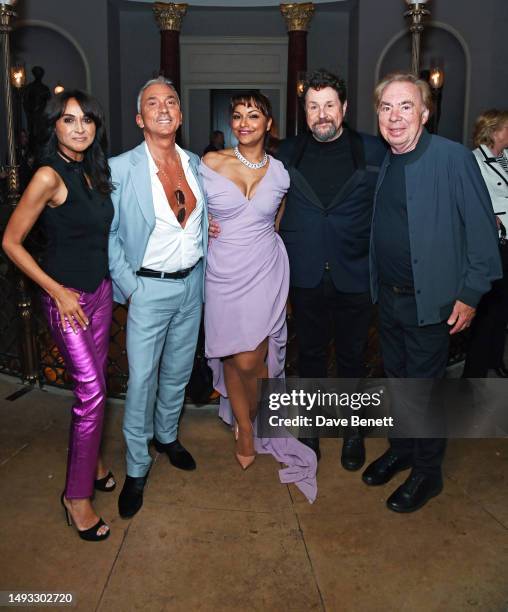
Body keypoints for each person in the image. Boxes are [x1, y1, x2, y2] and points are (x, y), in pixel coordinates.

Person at [364, 72, 502, 512]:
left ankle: (428, 472)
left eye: (406, 106)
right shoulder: (387, 158)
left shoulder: (453, 158)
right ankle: (402, 449)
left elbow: (482, 235)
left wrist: (470, 294)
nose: (395, 116)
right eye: (386, 107)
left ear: (425, 113)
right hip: (389, 298)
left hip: (431, 303)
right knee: (399, 383)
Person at [2, 90, 115, 541]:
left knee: (99, 386)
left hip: (101, 293)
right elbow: (11, 242)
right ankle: (75, 496)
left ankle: (95, 462)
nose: (80, 128)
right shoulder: (48, 176)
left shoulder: (92, 170)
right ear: (54, 126)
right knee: (91, 394)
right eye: (69, 121)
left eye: (87, 120)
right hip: (68, 301)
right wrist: (56, 292)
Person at [201, 91, 316, 501]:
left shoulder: (282, 173)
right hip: (223, 271)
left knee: (259, 355)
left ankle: (251, 420)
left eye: (253, 115)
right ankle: (245, 427)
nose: (244, 122)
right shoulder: (210, 163)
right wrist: (205, 228)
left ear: (269, 124)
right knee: (238, 353)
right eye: (237, 115)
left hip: (266, 267)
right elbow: (188, 213)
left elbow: (276, 223)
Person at [108, 77, 208, 519]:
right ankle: (136, 467)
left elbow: (207, 218)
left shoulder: (196, 163)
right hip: (148, 288)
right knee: (142, 380)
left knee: (178, 372)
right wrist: (132, 287)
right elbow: (107, 236)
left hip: (193, 285)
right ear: (139, 117)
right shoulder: (119, 169)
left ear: (181, 115)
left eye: (171, 101)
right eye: (153, 102)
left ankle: (166, 436)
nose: (164, 108)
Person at [276, 69, 386, 469]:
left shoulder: (373, 151)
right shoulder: (285, 154)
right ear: (304, 111)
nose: (321, 114)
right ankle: (311, 429)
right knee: (310, 356)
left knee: (354, 358)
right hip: (304, 274)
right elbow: (257, 198)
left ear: (344, 108)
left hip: (355, 274)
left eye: (328, 105)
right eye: (313, 106)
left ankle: (353, 431)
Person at [463, 109, 508, 377]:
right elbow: (474, 204)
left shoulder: (506, 157)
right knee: (486, 310)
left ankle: (494, 359)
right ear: (493, 131)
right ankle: (474, 371)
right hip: (492, 245)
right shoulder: (473, 162)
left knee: (503, 308)